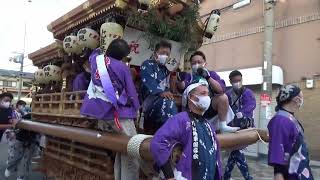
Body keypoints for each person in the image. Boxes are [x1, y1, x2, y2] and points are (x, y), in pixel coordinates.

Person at [80, 39, 140, 180]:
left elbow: (93, 54)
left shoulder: (96, 60)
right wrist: (137, 108)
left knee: (121, 150)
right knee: (132, 152)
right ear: (122, 56)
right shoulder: (122, 67)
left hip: (98, 114)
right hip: (118, 115)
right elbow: (131, 92)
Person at [151, 80, 222, 180]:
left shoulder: (208, 124)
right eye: (203, 93)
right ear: (191, 97)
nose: (207, 97)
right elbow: (158, 143)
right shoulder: (181, 119)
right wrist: (169, 176)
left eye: (208, 94)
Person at [177, 51, 238, 133]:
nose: (197, 64)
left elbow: (221, 90)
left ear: (205, 63)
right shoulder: (189, 76)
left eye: (199, 62)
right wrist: (180, 80)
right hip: (194, 107)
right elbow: (182, 86)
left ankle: (223, 126)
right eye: (194, 63)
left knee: (223, 98)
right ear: (191, 65)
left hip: (209, 107)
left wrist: (208, 77)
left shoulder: (211, 74)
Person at [268, 84, 314, 180]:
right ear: (296, 99)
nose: (302, 100)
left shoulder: (288, 117)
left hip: (301, 172)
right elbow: (278, 153)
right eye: (301, 97)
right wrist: (278, 173)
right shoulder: (280, 120)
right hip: (292, 175)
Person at [224, 70, 256, 180]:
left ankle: (246, 177)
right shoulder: (228, 94)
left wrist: (242, 112)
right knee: (236, 151)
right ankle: (227, 176)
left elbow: (251, 105)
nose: (237, 82)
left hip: (245, 126)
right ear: (230, 81)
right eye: (235, 81)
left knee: (236, 150)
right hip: (232, 126)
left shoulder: (247, 92)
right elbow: (225, 108)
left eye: (239, 80)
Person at [140, 40, 178, 134]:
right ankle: (169, 135)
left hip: (163, 100)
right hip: (149, 101)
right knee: (168, 104)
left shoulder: (166, 69)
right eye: (162, 53)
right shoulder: (147, 64)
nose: (165, 56)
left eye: (167, 54)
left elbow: (171, 89)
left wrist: (173, 73)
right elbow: (148, 81)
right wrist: (161, 92)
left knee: (172, 104)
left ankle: (170, 134)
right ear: (155, 54)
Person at [5, 100, 39, 180]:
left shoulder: (44, 119)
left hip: (32, 141)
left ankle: (21, 176)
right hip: (20, 139)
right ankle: (10, 168)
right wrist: (12, 132)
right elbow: (16, 124)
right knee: (16, 157)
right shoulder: (27, 115)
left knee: (27, 161)